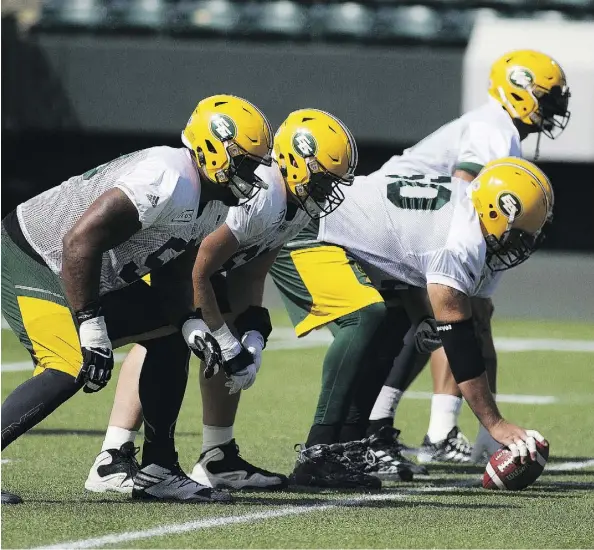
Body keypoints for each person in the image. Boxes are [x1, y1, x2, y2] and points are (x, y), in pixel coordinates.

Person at [0, 95, 274, 504]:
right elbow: (79, 241)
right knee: (71, 363)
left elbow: (172, 269)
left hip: (84, 271)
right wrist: (90, 324)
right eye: (246, 161)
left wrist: (189, 321)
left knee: (169, 336)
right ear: (215, 150)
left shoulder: (214, 200)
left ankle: (158, 468)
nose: (251, 174)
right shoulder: (168, 176)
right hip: (36, 255)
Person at [83, 109, 359, 493]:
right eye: (324, 181)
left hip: (200, 271)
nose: (327, 193)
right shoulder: (264, 195)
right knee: (163, 334)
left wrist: (251, 336)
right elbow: (196, 269)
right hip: (166, 268)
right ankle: (114, 452)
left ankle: (218, 456)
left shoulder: (294, 203)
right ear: (297, 164)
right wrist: (225, 340)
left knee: (225, 331)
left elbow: (251, 272)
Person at [269, 156, 554, 488]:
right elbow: (460, 346)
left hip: (343, 239)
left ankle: (348, 447)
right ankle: (318, 455)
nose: (521, 246)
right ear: (495, 212)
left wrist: (421, 316)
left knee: (395, 325)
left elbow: (408, 251)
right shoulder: (460, 240)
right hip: (306, 229)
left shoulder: (467, 204)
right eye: (519, 236)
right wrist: (496, 423)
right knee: (365, 319)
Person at [364, 49, 570, 465]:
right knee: (451, 322)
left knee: (443, 324)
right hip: (395, 225)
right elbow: (464, 190)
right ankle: (416, 432)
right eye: (546, 98)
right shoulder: (494, 127)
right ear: (520, 91)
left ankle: (399, 427)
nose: (551, 110)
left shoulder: (498, 128)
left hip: (409, 228)